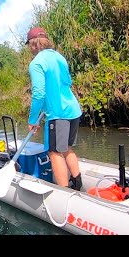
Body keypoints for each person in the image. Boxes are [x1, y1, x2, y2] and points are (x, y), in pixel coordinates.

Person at [25, 26, 83, 190]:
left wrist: (32, 120)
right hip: (73, 109)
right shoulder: (60, 57)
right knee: (66, 148)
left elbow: (38, 93)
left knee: (54, 152)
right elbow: (67, 82)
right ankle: (78, 184)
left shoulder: (36, 63)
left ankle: (64, 192)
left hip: (59, 114)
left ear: (32, 43)